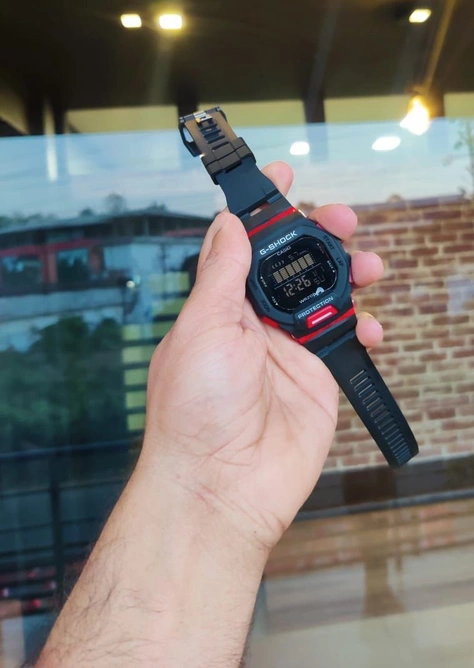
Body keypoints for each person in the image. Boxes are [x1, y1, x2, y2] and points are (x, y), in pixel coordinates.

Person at [36, 162, 386, 668]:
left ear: (330, 253)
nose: (293, 272)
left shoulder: (291, 244)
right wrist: (208, 493)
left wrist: (211, 502)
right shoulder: (298, 246)